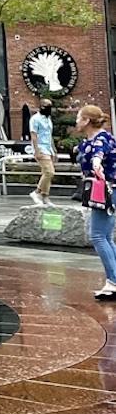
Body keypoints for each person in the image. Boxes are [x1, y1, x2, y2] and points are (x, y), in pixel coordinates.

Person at [74, 104, 116, 301]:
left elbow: (98, 155)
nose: (76, 121)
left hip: (106, 190)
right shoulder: (93, 139)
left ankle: (113, 281)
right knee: (105, 236)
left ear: (87, 121)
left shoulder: (101, 139)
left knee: (98, 235)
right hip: (103, 190)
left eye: (78, 117)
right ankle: (114, 279)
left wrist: (96, 164)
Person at [30, 99, 57, 207]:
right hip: (40, 148)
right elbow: (34, 136)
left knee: (46, 174)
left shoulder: (48, 119)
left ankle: (45, 196)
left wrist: (54, 150)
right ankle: (36, 192)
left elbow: (49, 135)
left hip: (48, 148)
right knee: (49, 172)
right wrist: (37, 151)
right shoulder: (35, 119)